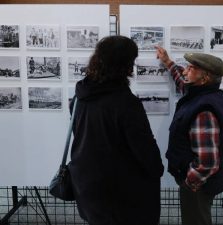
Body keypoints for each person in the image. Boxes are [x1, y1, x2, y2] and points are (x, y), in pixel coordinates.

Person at [69, 35, 164, 225]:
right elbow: (144, 150)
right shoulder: (126, 103)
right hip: (122, 194)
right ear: (125, 65)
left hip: (88, 186)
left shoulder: (80, 97)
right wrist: (157, 169)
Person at [156, 46, 223, 225]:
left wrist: (189, 184)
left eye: (191, 68)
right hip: (198, 182)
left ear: (205, 78)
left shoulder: (204, 111)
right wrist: (167, 61)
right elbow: (182, 80)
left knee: (196, 221)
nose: (185, 70)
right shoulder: (203, 93)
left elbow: (207, 162)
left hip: (197, 186)